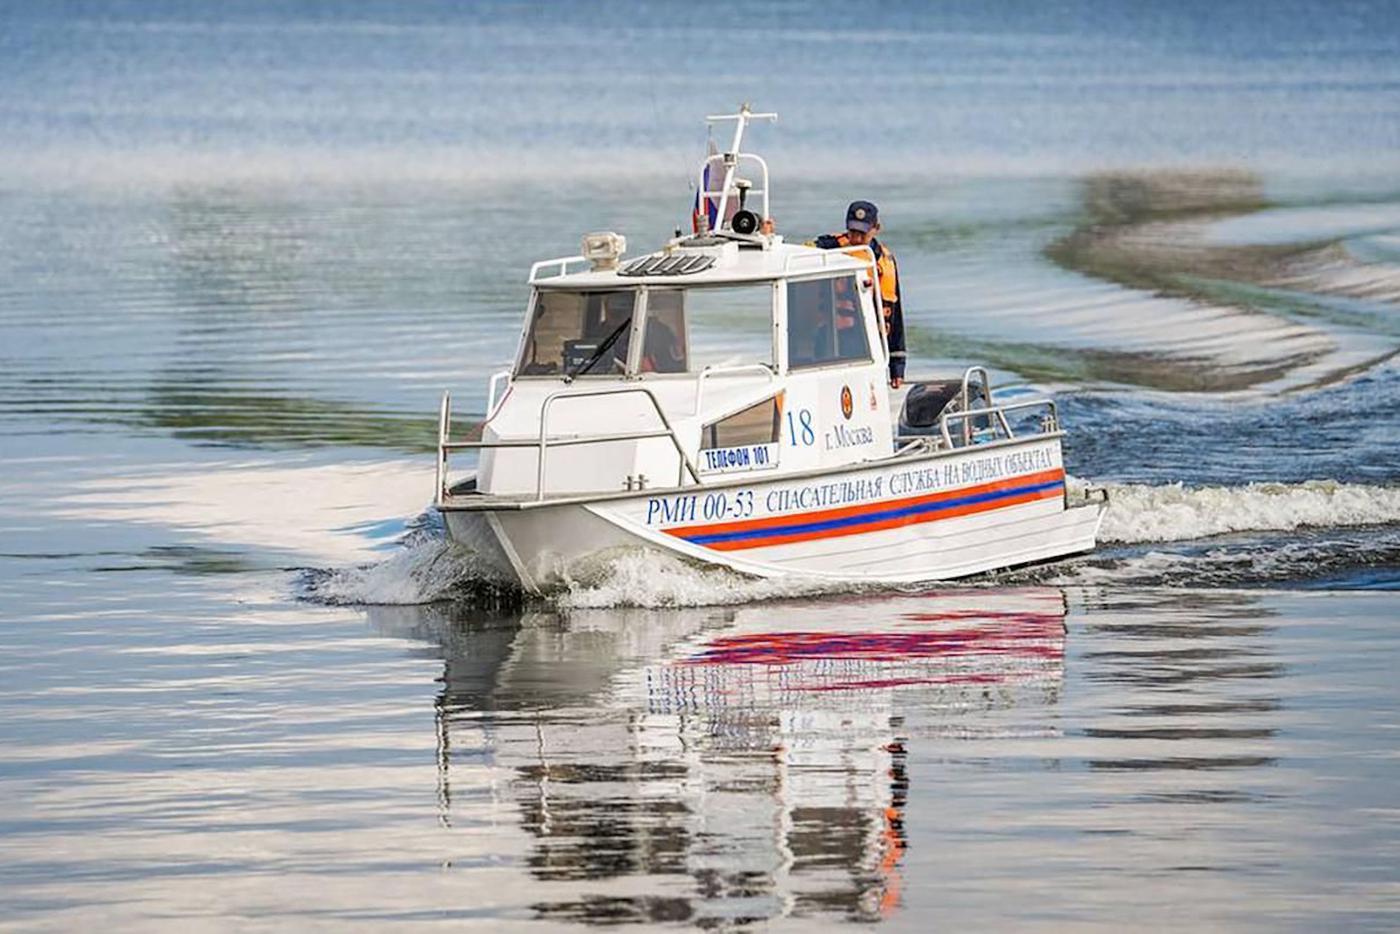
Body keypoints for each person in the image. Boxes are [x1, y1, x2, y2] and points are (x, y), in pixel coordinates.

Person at [813, 200, 907, 387]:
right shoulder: (828, 247)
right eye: (852, 231)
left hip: (872, 348)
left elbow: (895, 316)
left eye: (862, 233)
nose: (855, 238)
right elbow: (791, 253)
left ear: (876, 228)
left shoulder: (886, 261)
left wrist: (897, 366)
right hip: (832, 345)